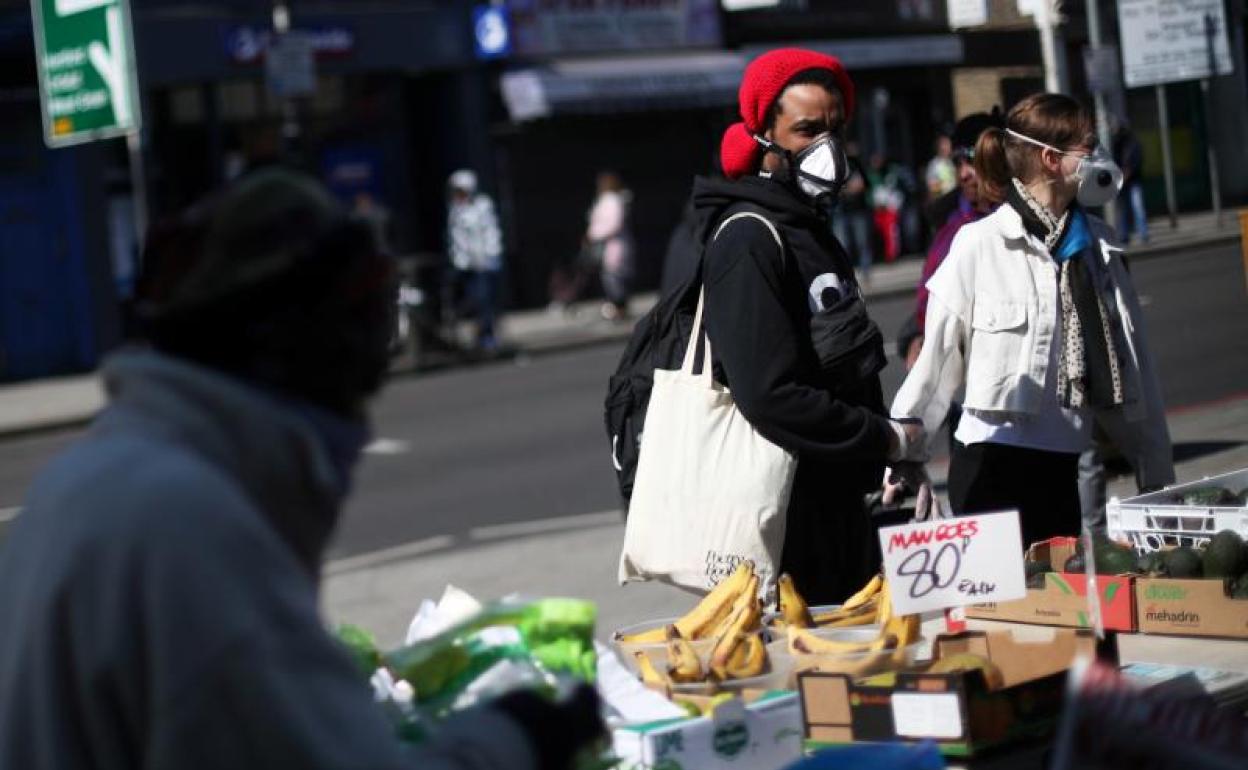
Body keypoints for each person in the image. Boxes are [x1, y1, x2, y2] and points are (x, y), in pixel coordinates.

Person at [0, 169, 602, 770]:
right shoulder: (192, 527)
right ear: (290, 348)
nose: (359, 415)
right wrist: (517, 737)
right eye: (353, 361)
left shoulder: (95, 475)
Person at [691, 48, 928, 604]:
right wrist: (885, 438)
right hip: (789, 526)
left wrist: (882, 457)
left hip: (840, 504)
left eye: (835, 130)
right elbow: (770, 394)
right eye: (806, 131)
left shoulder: (808, 227)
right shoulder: (749, 238)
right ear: (764, 137)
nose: (827, 148)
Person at [890, 94, 1173, 546]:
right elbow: (936, 363)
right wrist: (905, 453)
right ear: (1050, 159)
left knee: (1053, 609)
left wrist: (1156, 476)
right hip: (988, 468)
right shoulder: (979, 243)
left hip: (1061, 468)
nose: (1098, 156)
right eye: (1087, 145)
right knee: (995, 613)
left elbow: (1136, 374)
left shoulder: (1101, 249)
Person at [904, 110, 1006, 370]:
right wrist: (916, 335)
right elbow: (935, 292)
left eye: (971, 160)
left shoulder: (1026, 220)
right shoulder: (949, 222)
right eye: (957, 163)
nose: (964, 174)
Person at [446, 169, 504, 351]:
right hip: (464, 264)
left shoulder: (482, 205)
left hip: (482, 263)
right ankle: (477, 333)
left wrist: (491, 255)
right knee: (469, 300)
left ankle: (487, 335)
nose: (458, 194)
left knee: (484, 300)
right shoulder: (455, 209)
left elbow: (491, 232)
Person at [586, 171, 635, 321]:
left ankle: (620, 309)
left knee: (614, 279)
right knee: (610, 278)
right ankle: (617, 309)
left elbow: (614, 224)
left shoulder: (613, 200)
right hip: (607, 248)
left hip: (613, 247)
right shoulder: (606, 200)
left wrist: (594, 234)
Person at [830, 142, 875, 282]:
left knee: (862, 242)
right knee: (843, 244)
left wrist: (856, 187)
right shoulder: (836, 166)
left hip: (859, 209)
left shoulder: (858, 165)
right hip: (842, 210)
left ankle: (865, 271)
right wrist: (847, 189)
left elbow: (867, 184)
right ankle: (847, 274)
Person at [1112, 118, 1148, 244]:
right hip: (1122, 181)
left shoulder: (1133, 143)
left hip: (1133, 181)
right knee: (1124, 209)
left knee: (1137, 207)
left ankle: (1143, 234)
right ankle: (1124, 235)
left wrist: (1128, 172)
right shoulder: (1115, 143)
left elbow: (1136, 160)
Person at [925, 134, 957, 200]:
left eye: (948, 145)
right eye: (944, 145)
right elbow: (932, 188)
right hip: (943, 201)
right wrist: (947, 186)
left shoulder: (953, 162)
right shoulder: (934, 165)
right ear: (939, 147)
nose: (946, 147)